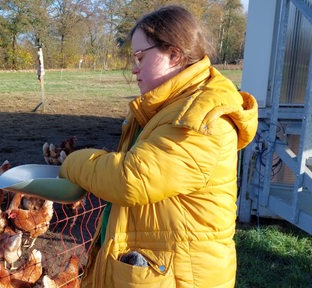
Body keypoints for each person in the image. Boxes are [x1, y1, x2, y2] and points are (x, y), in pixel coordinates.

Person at [58, 5, 258, 287]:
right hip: (160, 267)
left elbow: (132, 179)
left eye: (141, 57)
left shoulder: (202, 118)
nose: (134, 67)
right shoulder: (167, 108)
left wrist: (73, 163)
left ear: (174, 55)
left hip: (182, 277)